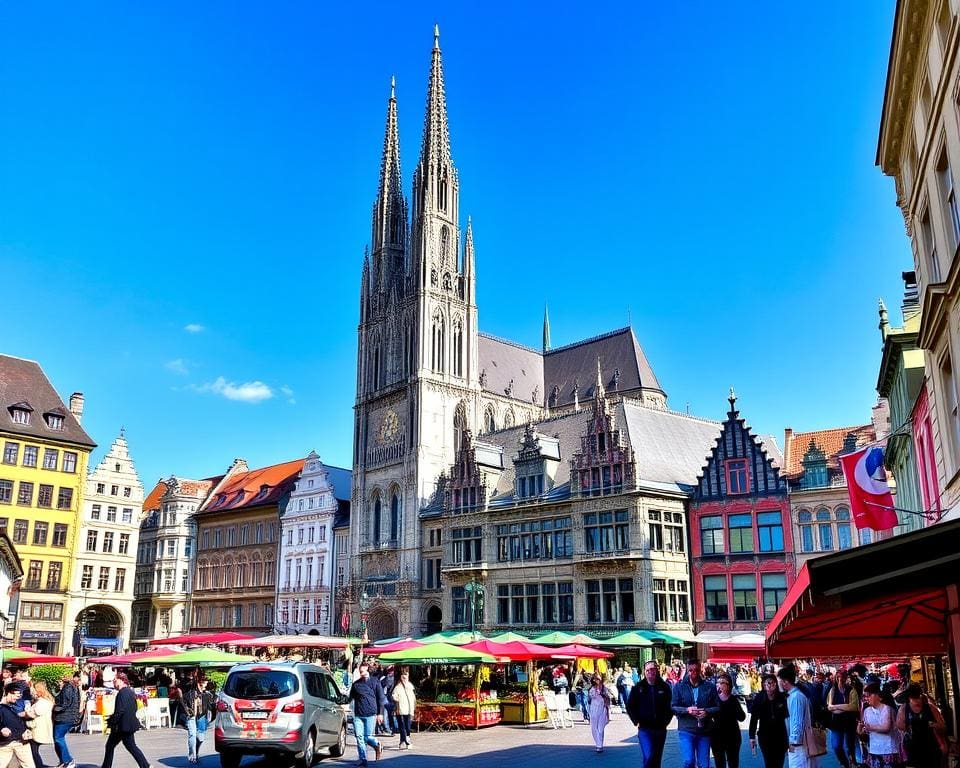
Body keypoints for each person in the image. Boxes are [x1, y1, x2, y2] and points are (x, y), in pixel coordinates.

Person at [671, 658, 720, 768]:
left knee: (704, 764)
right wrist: (687, 710)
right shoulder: (679, 687)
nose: (693, 673)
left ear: (700, 670)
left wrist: (707, 711)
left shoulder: (709, 686)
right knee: (689, 761)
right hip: (686, 729)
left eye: (696, 670)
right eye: (691, 670)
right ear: (687, 671)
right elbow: (673, 707)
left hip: (704, 730)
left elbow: (718, 707)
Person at [626, 659, 674, 768]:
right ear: (644, 672)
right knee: (648, 756)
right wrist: (636, 721)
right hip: (644, 728)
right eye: (647, 670)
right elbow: (630, 706)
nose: (650, 672)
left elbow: (670, 706)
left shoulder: (664, 687)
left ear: (656, 671)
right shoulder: (638, 687)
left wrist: (666, 721)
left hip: (660, 728)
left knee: (657, 758)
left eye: (652, 669)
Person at [100, 672, 150, 768]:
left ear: (122, 680)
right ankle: (145, 765)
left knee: (113, 746)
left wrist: (112, 721)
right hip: (126, 725)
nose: (114, 683)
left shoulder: (122, 693)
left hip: (122, 726)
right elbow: (133, 708)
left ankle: (145, 765)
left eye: (115, 680)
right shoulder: (130, 692)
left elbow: (120, 710)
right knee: (129, 746)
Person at [896, 684, 947, 768]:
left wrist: (931, 724)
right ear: (909, 698)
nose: (916, 701)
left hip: (931, 747)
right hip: (913, 748)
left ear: (921, 696)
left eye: (917, 697)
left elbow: (943, 726)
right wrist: (912, 726)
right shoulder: (904, 708)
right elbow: (899, 725)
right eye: (913, 697)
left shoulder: (930, 708)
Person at [348, 662, 385, 766]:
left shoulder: (375, 682)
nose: (361, 673)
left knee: (367, 737)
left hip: (370, 714)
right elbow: (350, 698)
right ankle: (363, 759)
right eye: (360, 671)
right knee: (359, 737)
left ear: (368, 670)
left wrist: (380, 713)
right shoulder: (356, 684)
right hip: (358, 715)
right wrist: (339, 700)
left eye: (363, 671)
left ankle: (377, 744)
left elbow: (381, 698)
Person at [749, 673, 789, 768]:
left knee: (779, 762)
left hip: (781, 736)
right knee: (769, 762)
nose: (770, 686)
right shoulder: (759, 698)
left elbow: (787, 717)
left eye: (773, 683)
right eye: (768, 683)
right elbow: (754, 718)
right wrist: (752, 736)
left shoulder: (782, 697)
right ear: (763, 685)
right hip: (765, 736)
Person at [859, 682, 901, 768]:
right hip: (874, 750)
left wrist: (869, 728)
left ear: (878, 695)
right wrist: (860, 729)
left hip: (889, 749)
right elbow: (863, 729)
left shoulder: (887, 708)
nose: (867, 698)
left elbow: (886, 727)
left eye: (869, 695)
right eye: (865, 696)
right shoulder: (867, 711)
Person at [779, 665, 814, 768]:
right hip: (797, 743)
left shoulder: (796, 697)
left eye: (779, 681)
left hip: (798, 745)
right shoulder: (793, 696)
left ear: (785, 681)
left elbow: (797, 722)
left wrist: (793, 742)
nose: (779, 684)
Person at [827, 669, 861, 768]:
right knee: (836, 746)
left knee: (849, 746)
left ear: (846, 678)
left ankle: (852, 761)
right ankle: (844, 763)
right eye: (838, 677)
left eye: (842, 677)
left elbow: (854, 707)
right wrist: (845, 707)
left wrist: (837, 707)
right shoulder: (833, 690)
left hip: (849, 722)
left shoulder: (851, 690)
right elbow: (830, 707)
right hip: (836, 723)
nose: (840, 679)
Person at [712, 673, 746, 768]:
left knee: (733, 763)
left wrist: (734, 707)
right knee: (719, 763)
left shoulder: (733, 700)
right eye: (718, 682)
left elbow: (742, 717)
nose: (720, 684)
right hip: (717, 737)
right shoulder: (713, 699)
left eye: (723, 682)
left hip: (733, 737)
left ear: (729, 685)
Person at [0, 682, 35, 768]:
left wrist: (26, 729)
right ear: (8, 693)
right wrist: (1, 729)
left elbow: (17, 720)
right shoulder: (2, 707)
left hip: (21, 741)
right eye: (17, 694)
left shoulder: (13, 705)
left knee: (29, 766)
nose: (18, 697)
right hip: (5, 743)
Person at [53, 672, 81, 768]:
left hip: (64, 717)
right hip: (69, 716)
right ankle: (63, 761)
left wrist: (54, 708)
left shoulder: (68, 687)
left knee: (58, 738)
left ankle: (68, 760)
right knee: (57, 738)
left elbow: (65, 704)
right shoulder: (73, 687)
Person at [26, 681, 54, 768]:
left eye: (33, 690)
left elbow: (35, 713)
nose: (32, 692)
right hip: (37, 728)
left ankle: (38, 766)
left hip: (37, 728)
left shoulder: (43, 702)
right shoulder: (43, 701)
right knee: (33, 750)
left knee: (33, 751)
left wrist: (26, 710)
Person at [391, 669, 416, 750]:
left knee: (408, 726)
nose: (405, 679)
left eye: (406, 677)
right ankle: (404, 741)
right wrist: (396, 699)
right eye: (404, 677)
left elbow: (413, 698)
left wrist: (413, 708)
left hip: (409, 709)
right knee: (402, 726)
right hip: (400, 709)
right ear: (401, 678)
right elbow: (394, 696)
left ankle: (406, 738)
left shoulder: (410, 686)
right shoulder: (398, 687)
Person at [183, 680, 207, 764]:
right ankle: (192, 756)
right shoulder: (189, 694)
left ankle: (196, 751)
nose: (204, 685)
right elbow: (184, 702)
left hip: (201, 716)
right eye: (202, 684)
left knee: (201, 737)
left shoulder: (207, 694)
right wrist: (188, 711)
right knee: (192, 734)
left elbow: (211, 705)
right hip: (191, 716)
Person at [587, 673, 611, 753]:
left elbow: (608, 698)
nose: (596, 681)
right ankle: (598, 743)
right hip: (594, 709)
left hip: (602, 708)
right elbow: (591, 697)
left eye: (597, 679)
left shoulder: (604, 688)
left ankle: (600, 745)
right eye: (594, 679)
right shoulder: (591, 689)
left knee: (601, 727)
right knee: (594, 727)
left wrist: (603, 695)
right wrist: (596, 691)